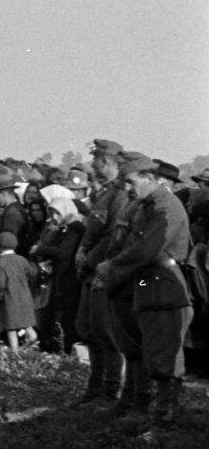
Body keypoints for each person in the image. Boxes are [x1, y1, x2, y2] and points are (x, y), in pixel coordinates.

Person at [97, 152, 193, 424]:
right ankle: (151, 412)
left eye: (130, 182)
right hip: (146, 283)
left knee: (165, 359)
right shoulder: (149, 206)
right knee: (151, 354)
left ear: (150, 178)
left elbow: (145, 251)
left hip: (163, 286)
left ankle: (164, 421)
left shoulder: (165, 208)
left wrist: (110, 267)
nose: (127, 189)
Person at [74, 139, 128, 407]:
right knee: (88, 329)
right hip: (90, 272)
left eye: (95, 160)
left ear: (106, 162)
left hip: (105, 272)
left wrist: (89, 259)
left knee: (107, 335)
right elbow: (92, 231)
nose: (92, 164)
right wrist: (81, 251)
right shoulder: (106, 193)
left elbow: (111, 237)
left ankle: (110, 392)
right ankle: (94, 390)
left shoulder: (120, 195)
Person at [32, 197, 85, 352]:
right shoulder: (66, 228)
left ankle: (67, 348)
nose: (54, 218)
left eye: (57, 213)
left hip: (69, 278)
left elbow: (63, 252)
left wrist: (40, 250)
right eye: (52, 213)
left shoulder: (75, 228)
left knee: (66, 314)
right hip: (62, 276)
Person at [0, 231, 38, 343]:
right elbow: (33, 273)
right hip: (25, 299)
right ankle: (31, 346)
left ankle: (15, 354)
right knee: (28, 327)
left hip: (9, 300)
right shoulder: (22, 259)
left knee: (11, 329)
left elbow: (0, 284)